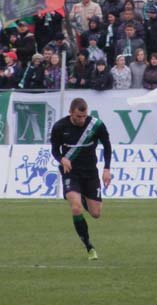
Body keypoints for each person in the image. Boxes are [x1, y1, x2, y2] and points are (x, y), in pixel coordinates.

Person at [50, 97, 112, 261]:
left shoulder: (96, 125)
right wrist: (62, 159)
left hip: (91, 173)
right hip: (71, 173)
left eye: (84, 117)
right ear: (70, 113)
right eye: (78, 117)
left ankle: (84, 197)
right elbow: (54, 150)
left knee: (96, 213)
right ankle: (89, 247)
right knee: (76, 208)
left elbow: (107, 145)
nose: (82, 120)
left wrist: (107, 168)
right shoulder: (59, 127)